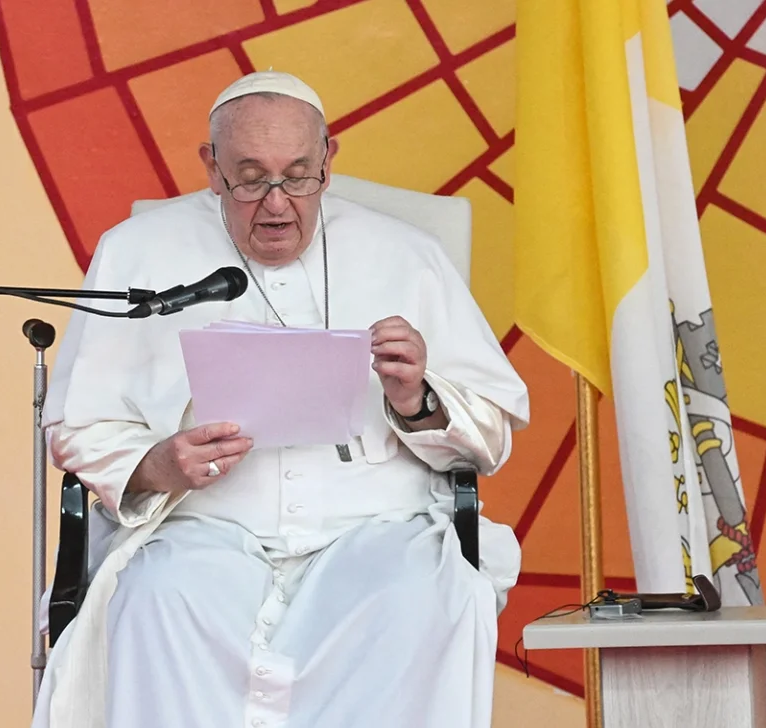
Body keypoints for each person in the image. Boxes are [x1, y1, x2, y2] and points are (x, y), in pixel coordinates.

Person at [31, 71, 531, 728]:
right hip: (201, 529)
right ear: (211, 169)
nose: (277, 203)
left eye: (298, 176)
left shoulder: (408, 255)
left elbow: (491, 433)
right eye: (250, 177)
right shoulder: (136, 255)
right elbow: (77, 422)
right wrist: (158, 463)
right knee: (156, 596)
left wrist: (416, 399)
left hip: (375, 530)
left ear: (329, 161)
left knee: (422, 598)